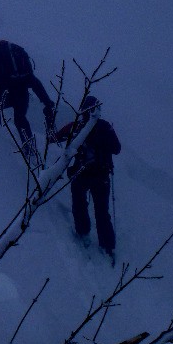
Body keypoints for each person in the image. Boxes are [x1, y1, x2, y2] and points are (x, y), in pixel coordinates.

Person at [54, 95, 121, 263]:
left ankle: (83, 233)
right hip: (101, 175)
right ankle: (108, 246)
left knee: (79, 204)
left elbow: (56, 138)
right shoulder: (105, 127)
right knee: (102, 211)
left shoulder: (76, 126)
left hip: (81, 174)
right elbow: (117, 149)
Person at [0, 38, 55, 161]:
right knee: (20, 119)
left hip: (5, 93)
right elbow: (34, 82)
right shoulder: (15, 53)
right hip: (22, 92)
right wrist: (47, 102)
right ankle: (30, 149)